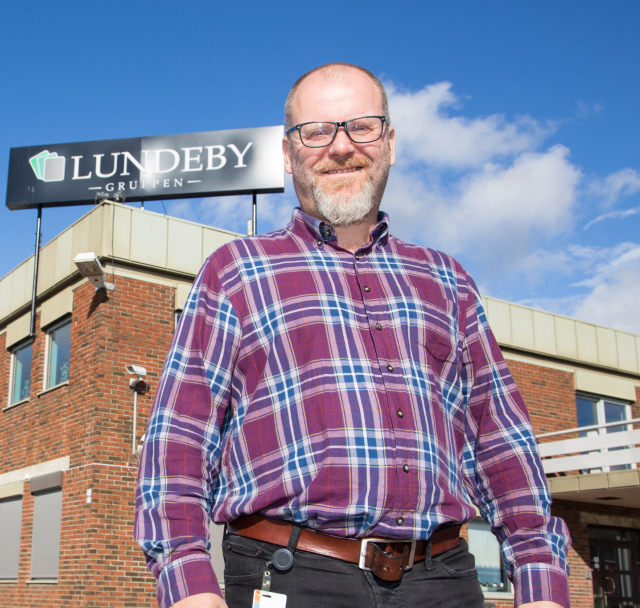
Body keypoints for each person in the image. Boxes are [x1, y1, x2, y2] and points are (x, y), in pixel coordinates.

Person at [134, 63, 570, 608]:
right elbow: (180, 437)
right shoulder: (236, 271)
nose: (340, 147)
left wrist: (540, 581)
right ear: (289, 153)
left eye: (361, 126)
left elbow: (500, 437)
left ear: (390, 143)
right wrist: (187, 584)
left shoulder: (447, 279)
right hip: (289, 575)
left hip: (444, 581)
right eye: (316, 131)